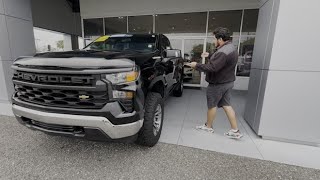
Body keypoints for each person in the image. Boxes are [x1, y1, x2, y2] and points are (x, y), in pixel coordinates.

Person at [187, 27, 243, 139]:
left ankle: (208, 127)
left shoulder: (222, 52)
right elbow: (221, 60)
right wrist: (210, 55)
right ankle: (235, 130)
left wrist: (196, 65)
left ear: (220, 39)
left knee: (212, 105)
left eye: (214, 39)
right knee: (227, 105)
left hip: (218, 84)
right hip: (228, 82)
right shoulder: (231, 47)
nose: (213, 41)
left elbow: (212, 67)